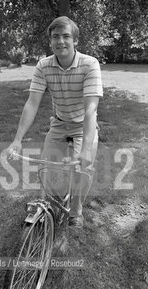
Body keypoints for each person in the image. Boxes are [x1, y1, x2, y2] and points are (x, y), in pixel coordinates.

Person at [7, 16, 103, 229]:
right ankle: (52, 206)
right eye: (56, 37)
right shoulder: (44, 65)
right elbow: (32, 103)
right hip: (59, 123)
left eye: (66, 36)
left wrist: (86, 149)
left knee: (83, 169)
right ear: (50, 41)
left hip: (82, 124)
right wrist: (17, 140)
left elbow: (91, 110)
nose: (61, 41)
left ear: (75, 40)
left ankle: (76, 212)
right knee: (47, 169)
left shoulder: (90, 64)